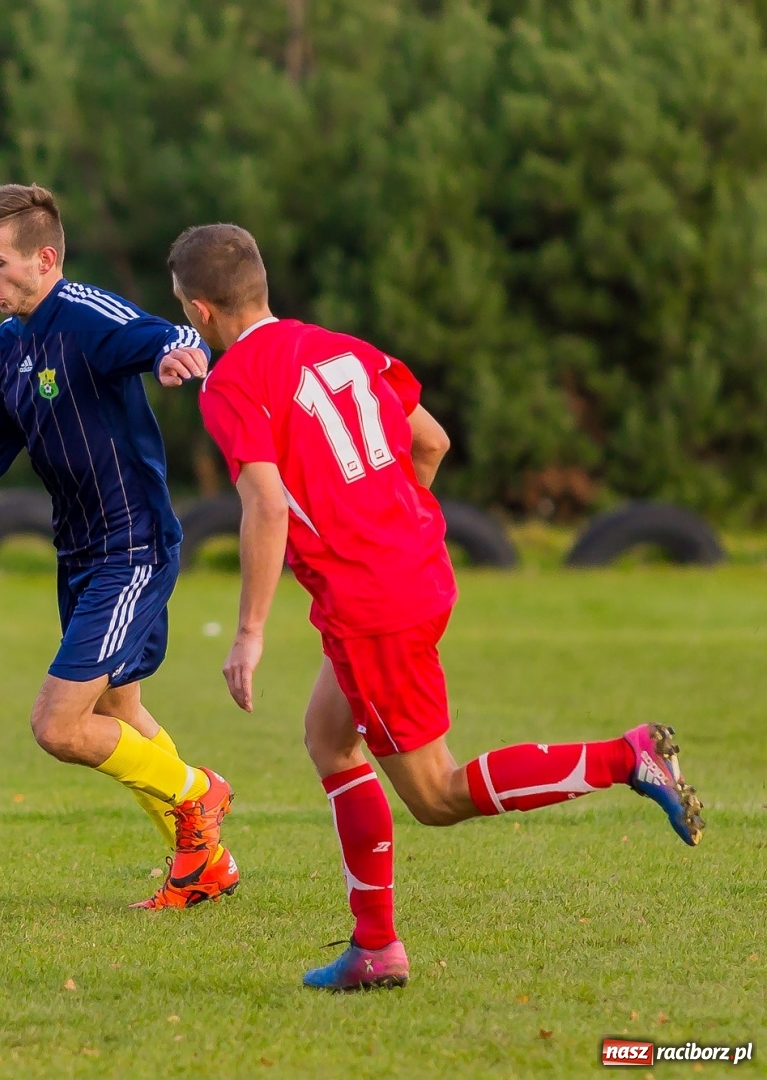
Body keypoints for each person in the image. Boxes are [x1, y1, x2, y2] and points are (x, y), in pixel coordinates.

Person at [169, 222, 705, 988]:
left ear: (200, 313)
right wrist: (388, 530)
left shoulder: (231, 384)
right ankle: (374, 948)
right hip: (416, 568)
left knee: (436, 794)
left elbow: (265, 507)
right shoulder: (348, 349)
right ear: (259, 286)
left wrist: (249, 634)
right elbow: (433, 442)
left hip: (373, 601)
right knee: (329, 737)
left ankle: (626, 758)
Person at [0, 184, 240, 909]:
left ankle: (199, 793)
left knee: (60, 726)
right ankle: (206, 864)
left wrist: (176, 358)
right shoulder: (6, 350)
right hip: (81, 554)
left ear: (45, 258)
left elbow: (171, 335)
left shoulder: (86, 316)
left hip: (132, 548)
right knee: (122, 713)